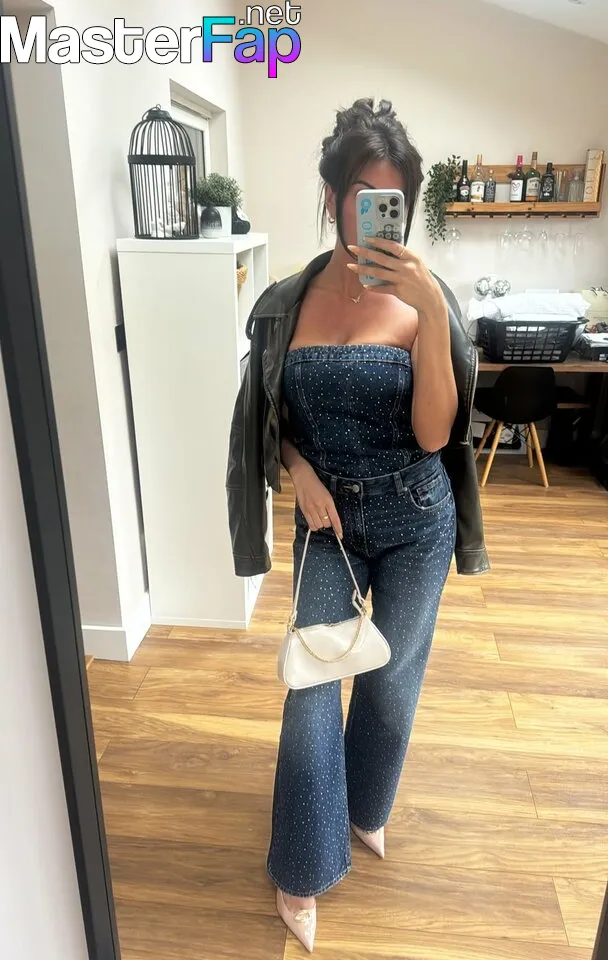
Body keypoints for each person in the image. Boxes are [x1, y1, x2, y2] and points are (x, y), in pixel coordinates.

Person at [226, 97, 489, 952]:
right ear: (333, 196)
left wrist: (431, 317)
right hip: (325, 516)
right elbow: (274, 419)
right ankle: (302, 862)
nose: (379, 215)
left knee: (390, 681)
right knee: (312, 681)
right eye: (363, 196)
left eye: (393, 200)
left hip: (415, 516)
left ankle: (365, 807)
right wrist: (298, 473)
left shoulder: (425, 302)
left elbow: (435, 435)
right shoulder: (287, 301)